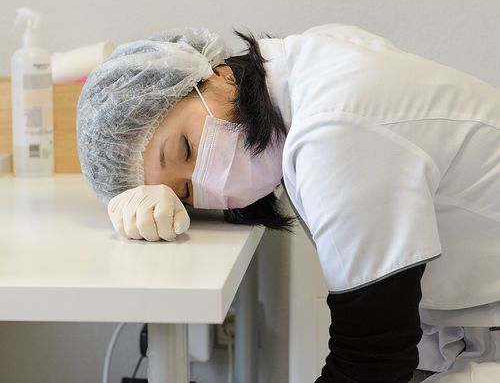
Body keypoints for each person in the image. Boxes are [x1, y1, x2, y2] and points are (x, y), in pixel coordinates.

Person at [77, 25, 500, 383]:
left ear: (213, 74)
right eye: (186, 193)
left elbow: (372, 360)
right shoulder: (306, 62)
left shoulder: (333, 132)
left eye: (185, 148)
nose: (206, 179)